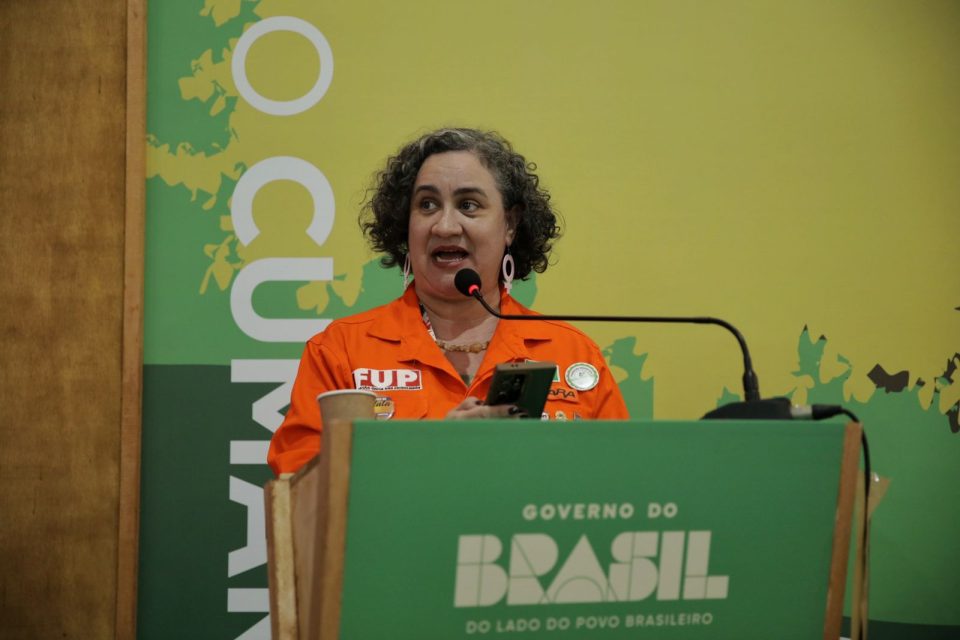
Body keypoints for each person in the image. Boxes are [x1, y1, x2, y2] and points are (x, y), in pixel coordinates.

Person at [267, 128, 629, 475]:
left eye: (468, 205)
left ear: (510, 225)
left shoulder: (573, 354)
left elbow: (620, 483)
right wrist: (435, 453)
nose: (444, 226)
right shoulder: (341, 351)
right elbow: (300, 491)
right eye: (427, 205)